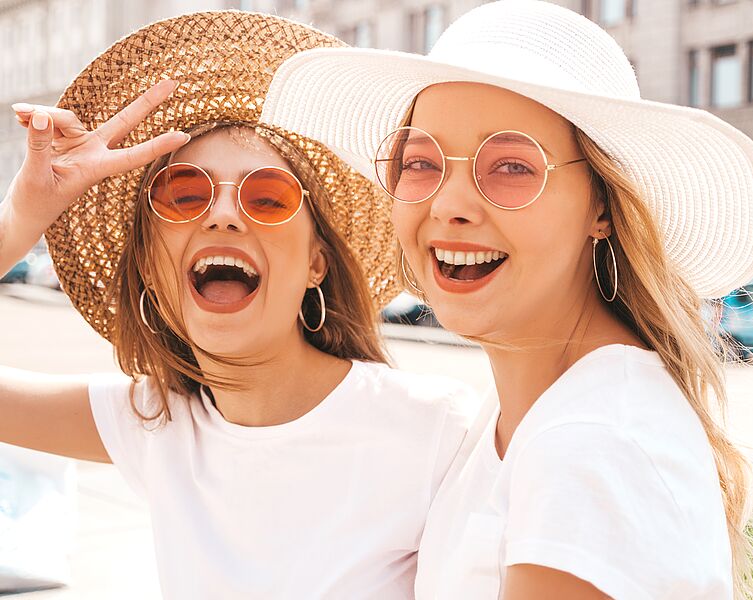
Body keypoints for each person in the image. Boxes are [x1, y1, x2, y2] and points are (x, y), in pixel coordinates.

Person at [260, 1, 753, 598]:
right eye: (420, 163)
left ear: (601, 206)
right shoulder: (531, 412)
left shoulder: (592, 442)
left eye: (512, 166)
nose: (449, 203)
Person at [0, 12, 474, 600]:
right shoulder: (154, 424)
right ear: (149, 264)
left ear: (315, 265)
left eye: (268, 199)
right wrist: (22, 217)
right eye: (185, 195)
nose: (223, 215)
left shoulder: (439, 430)